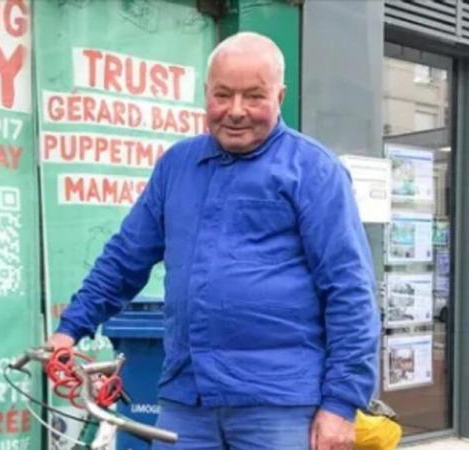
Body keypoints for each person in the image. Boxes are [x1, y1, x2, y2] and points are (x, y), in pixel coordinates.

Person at [48, 31, 379, 450]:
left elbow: (350, 291)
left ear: (280, 95)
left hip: (279, 404)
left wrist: (341, 403)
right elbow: (125, 257)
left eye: (254, 97)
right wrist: (70, 327)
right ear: (206, 93)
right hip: (188, 397)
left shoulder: (313, 170)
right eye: (222, 95)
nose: (236, 111)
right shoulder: (177, 167)